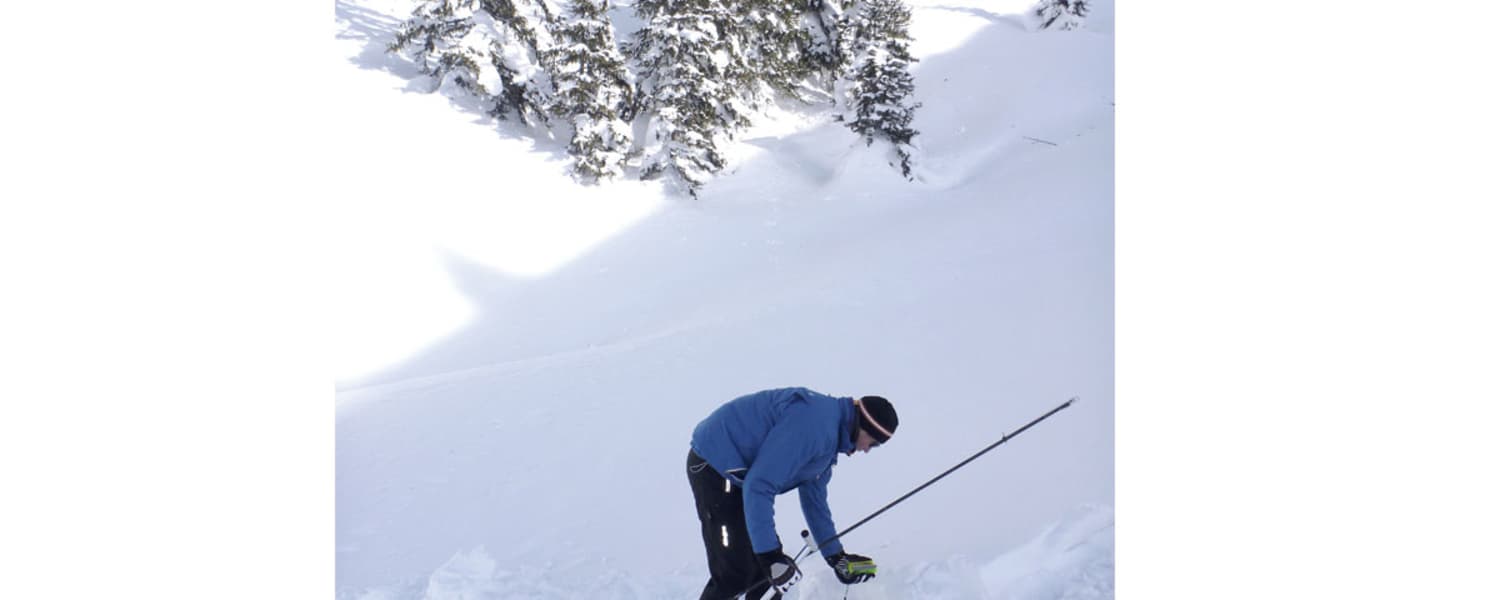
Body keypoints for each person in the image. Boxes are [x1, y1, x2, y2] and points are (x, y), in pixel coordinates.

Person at [686, 387, 898, 599]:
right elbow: (759, 485)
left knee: (769, 578)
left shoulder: (830, 441)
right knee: (736, 572)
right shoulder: (815, 427)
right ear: (864, 425)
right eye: (874, 443)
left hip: (740, 478)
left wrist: (836, 557)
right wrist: (770, 556)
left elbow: (815, 503)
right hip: (715, 464)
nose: (868, 449)